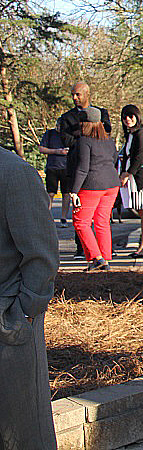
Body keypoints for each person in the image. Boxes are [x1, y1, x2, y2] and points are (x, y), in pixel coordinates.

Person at [0, 148, 60, 449]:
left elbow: (42, 256)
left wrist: (23, 313)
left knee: (21, 435)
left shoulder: (13, 173)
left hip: (9, 328)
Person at [58, 82, 112, 258]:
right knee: (90, 218)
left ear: (87, 94)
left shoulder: (101, 114)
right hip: (93, 174)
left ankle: (98, 257)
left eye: (78, 94)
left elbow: (107, 132)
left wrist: (85, 139)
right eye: (73, 94)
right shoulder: (67, 118)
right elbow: (66, 140)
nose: (75, 98)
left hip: (93, 177)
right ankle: (91, 252)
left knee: (83, 220)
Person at [71, 106, 120, 272]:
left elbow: (83, 168)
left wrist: (74, 191)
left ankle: (96, 258)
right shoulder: (109, 140)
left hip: (92, 185)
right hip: (112, 184)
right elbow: (114, 160)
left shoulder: (84, 141)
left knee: (81, 222)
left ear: (85, 123)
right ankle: (104, 258)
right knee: (102, 222)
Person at [119, 104, 143, 258]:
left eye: (131, 116)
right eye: (125, 117)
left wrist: (128, 173)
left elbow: (140, 157)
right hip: (133, 179)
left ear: (137, 116)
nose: (128, 119)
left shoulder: (142, 134)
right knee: (142, 212)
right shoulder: (130, 135)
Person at [38, 118, 70, 227]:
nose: (60, 128)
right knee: (50, 193)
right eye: (58, 125)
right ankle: (47, 218)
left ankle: (64, 218)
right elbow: (41, 149)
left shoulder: (69, 135)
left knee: (66, 194)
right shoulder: (50, 134)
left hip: (67, 168)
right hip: (52, 167)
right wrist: (57, 151)